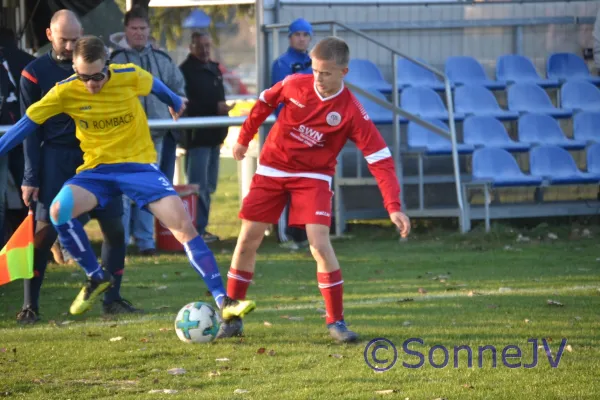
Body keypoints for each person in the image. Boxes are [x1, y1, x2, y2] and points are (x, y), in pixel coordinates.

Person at [0, 35, 255, 324]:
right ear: (74, 68)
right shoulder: (64, 91)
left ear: (107, 64)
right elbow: (25, 125)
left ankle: (224, 301)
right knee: (59, 211)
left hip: (139, 169)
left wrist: (173, 100)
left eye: (97, 76)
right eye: (83, 77)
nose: (91, 84)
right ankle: (96, 277)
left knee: (184, 226)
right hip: (96, 173)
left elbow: (155, 85)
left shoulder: (128, 75)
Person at [219, 37, 411, 343]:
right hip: (273, 168)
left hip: (314, 176)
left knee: (319, 244)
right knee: (247, 240)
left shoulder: (351, 112)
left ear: (343, 72)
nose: (317, 78)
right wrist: (244, 137)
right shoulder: (295, 84)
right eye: (315, 69)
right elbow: (265, 102)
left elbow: (380, 159)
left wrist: (394, 206)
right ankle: (231, 318)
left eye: (325, 73)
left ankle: (337, 322)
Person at [16, 10, 135, 324]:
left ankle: (112, 299)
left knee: (114, 230)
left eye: (75, 39)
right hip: (57, 159)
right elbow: (30, 128)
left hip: (97, 158)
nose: (69, 46)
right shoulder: (34, 72)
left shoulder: (102, 68)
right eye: (63, 39)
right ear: (49, 34)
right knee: (42, 234)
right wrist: (31, 177)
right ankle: (30, 306)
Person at [110, 6, 185, 255]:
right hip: (123, 138)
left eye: (143, 28)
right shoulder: (114, 60)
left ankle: (145, 242)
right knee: (123, 191)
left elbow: (179, 89)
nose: (139, 33)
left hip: (156, 138)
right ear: (125, 30)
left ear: (149, 30)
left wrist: (177, 105)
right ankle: (120, 242)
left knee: (149, 189)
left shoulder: (163, 60)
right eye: (134, 28)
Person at [179, 31, 234, 243]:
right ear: (191, 47)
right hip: (197, 138)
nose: (205, 50)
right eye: (201, 46)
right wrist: (214, 108)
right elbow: (186, 105)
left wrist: (222, 109)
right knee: (197, 185)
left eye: (208, 46)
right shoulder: (185, 71)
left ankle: (202, 227)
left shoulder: (213, 69)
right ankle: (196, 230)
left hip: (214, 137)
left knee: (209, 185)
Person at [270, 18, 314, 250]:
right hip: (290, 134)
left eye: (305, 35)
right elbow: (279, 100)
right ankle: (286, 233)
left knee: (309, 184)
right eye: (297, 34)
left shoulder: (314, 63)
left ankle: (304, 233)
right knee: (288, 185)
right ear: (290, 37)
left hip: (313, 134)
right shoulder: (282, 64)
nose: (301, 38)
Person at [0, 28, 35, 248]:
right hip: (23, 133)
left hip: (16, 133)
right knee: (30, 194)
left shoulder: (25, 63)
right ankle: (33, 245)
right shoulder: (29, 63)